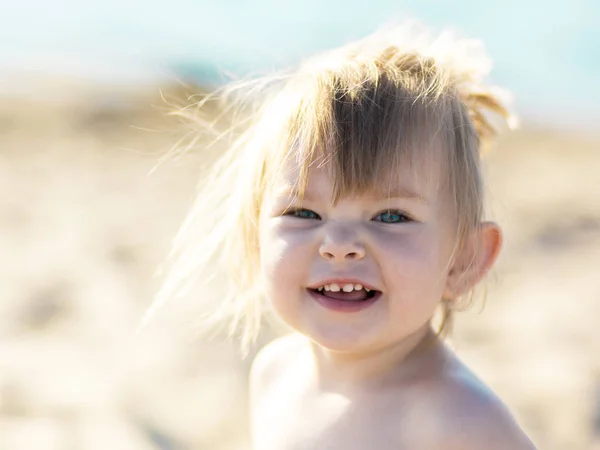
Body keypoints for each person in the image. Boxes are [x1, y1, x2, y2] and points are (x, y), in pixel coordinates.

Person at [147, 22, 538, 449]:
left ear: (464, 259)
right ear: (256, 233)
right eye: (303, 212)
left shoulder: (458, 421)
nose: (339, 244)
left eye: (391, 216)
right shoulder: (274, 375)